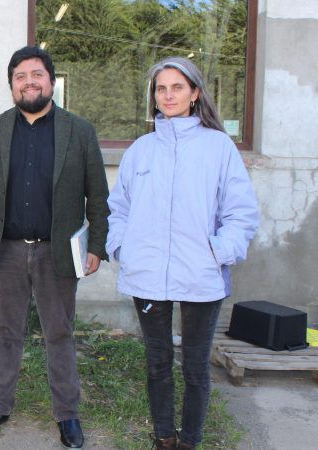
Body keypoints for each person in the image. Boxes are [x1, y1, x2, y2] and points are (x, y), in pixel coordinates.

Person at [0, 46, 109, 448]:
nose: (29, 82)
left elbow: (98, 195)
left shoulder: (79, 131)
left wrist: (97, 244)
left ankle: (68, 414)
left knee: (59, 332)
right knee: (8, 330)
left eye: (37, 74)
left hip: (57, 252)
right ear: (11, 85)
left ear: (51, 80)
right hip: (5, 250)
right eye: (20, 76)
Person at [106, 57, 258, 450]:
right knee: (157, 364)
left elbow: (240, 212)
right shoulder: (140, 150)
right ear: (153, 97)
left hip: (202, 275)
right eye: (161, 88)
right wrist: (124, 247)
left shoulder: (217, 147)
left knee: (194, 368)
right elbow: (118, 208)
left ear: (194, 94)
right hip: (147, 276)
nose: (168, 95)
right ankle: (163, 438)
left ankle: (190, 441)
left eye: (177, 87)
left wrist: (218, 251)